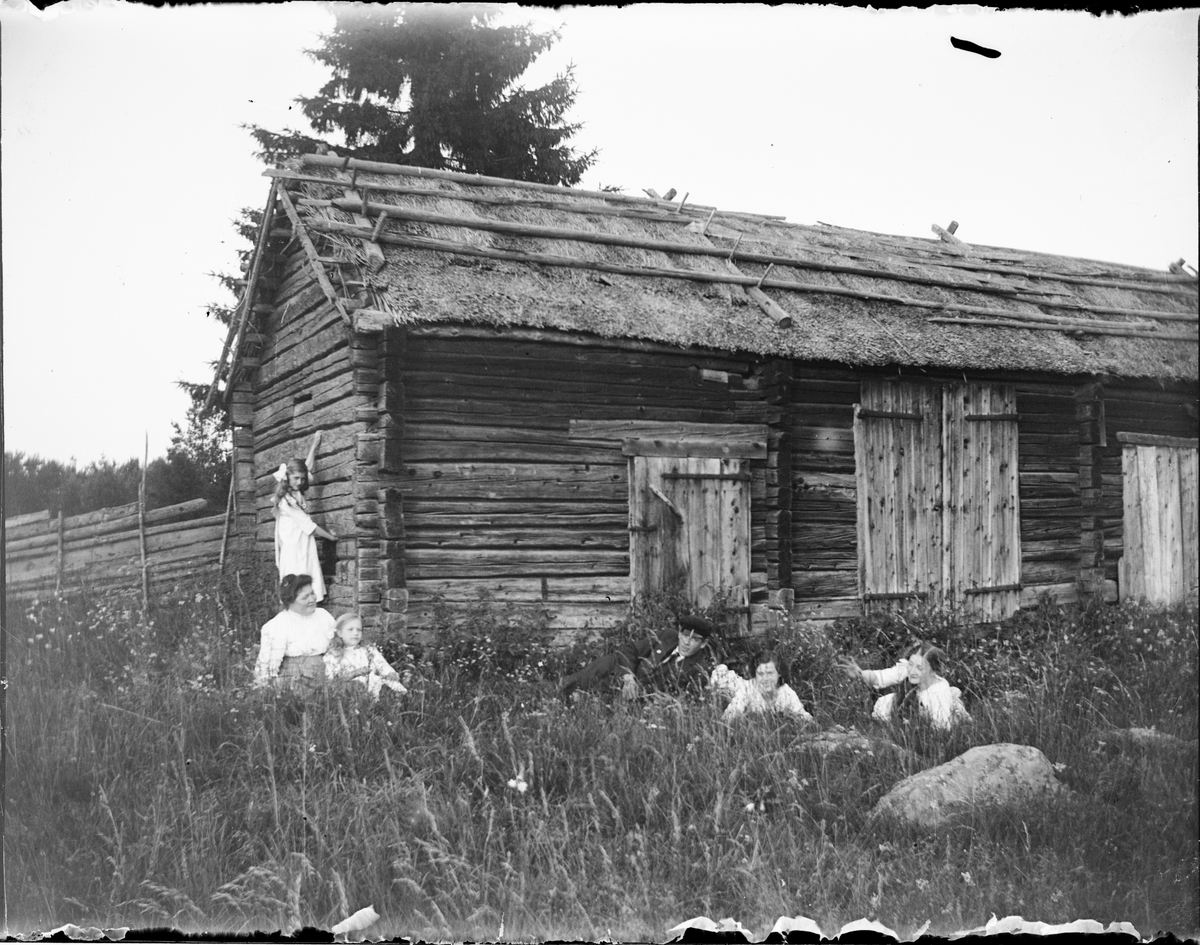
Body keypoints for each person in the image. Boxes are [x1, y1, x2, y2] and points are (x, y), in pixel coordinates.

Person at [560, 615, 717, 701]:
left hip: (639, 698)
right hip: (627, 676)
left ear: (703, 644)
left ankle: (576, 698)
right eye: (684, 635)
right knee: (611, 660)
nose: (686, 642)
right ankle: (559, 688)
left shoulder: (700, 668)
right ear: (679, 633)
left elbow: (686, 699)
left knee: (587, 698)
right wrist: (628, 676)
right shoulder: (667, 636)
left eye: (694, 639)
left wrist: (668, 699)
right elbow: (631, 649)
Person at [838, 642, 970, 730]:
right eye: (911, 664)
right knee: (886, 704)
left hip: (923, 723)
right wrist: (860, 674)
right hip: (907, 711)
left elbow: (941, 728)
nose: (912, 671)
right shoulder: (907, 670)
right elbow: (880, 677)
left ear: (933, 670)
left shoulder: (937, 693)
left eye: (920, 668)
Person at [273, 431, 338, 602]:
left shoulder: (296, 490)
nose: (300, 482)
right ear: (287, 477)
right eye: (296, 479)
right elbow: (310, 526)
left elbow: (306, 467)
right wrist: (331, 537)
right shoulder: (287, 501)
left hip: (302, 542)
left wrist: (314, 445)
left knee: (307, 579)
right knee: (297, 583)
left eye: (302, 479)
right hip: (294, 548)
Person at [253, 574, 338, 693]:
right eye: (305, 597)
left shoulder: (323, 615)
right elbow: (268, 662)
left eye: (312, 593)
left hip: (327, 673)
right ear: (291, 601)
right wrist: (265, 686)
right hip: (294, 679)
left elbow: (338, 642)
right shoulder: (279, 624)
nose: (312, 599)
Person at [324, 613, 408, 701]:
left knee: (390, 683)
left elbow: (382, 664)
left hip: (372, 685)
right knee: (354, 688)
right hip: (350, 690)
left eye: (359, 630)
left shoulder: (368, 650)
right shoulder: (333, 655)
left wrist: (390, 673)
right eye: (350, 629)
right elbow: (332, 680)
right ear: (340, 633)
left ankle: (394, 700)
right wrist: (353, 674)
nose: (355, 633)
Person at [723, 648, 814, 722]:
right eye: (760, 674)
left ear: (779, 673)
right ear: (755, 675)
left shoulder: (786, 693)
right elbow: (728, 717)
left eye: (770, 673)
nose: (765, 679)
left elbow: (805, 718)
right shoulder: (747, 689)